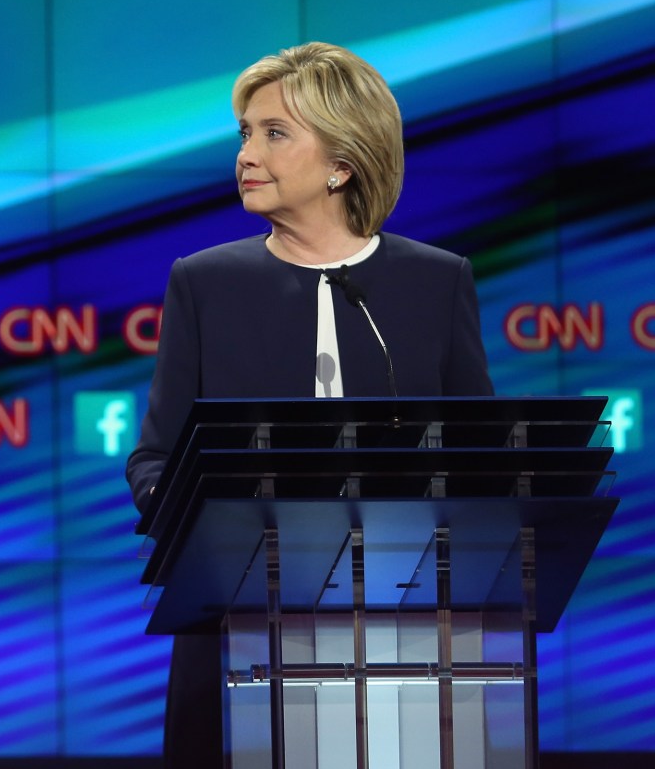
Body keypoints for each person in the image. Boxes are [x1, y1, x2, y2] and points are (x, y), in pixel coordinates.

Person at [125, 41, 493, 765]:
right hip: (235, 615)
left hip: (402, 622)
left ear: (341, 164)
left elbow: (479, 456)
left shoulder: (437, 282)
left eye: (274, 133)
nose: (246, 155)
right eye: (245, 134)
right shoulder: (204, 283)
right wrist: (186, 508)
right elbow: (154, 456)